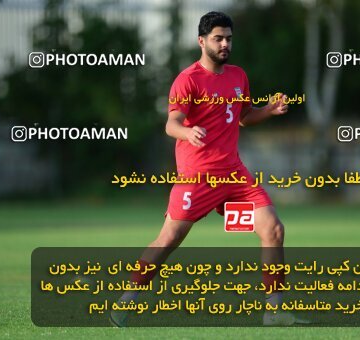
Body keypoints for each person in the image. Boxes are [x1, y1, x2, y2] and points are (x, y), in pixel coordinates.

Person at [110, 11, 305, 327]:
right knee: (169, 239)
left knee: (274, 230)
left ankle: (274, 310)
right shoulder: (187, 80)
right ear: (202, 41)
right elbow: (171, 124)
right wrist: (188, 132)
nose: (225, 43)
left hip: (234, 177)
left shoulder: (238, 76)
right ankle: (127, 299)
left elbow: (243, 116)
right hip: (197, 179)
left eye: (228, 38)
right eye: (218, 38)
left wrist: (268, 110)